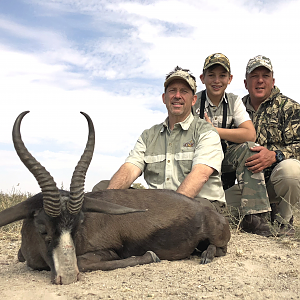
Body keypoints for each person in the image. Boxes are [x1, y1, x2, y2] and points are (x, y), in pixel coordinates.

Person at [93, 66, 226, 210]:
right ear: (164, 98)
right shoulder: (148, 135)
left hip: (199, 204)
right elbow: (130, 169)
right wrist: (107, 202)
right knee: (103, 190)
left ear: (194, 99)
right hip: (158, 206)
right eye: (172, 90)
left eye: (184, 91)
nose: (177, 95)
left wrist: (167, 213)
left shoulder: (206, 131)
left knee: (197, 213)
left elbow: (200, 175)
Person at [192, 53, 273, 237]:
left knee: (249, 148)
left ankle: (255, 218)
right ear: (203, 78)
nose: (217, 80)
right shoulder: (194, 102)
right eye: (211, 75)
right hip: (198, 162)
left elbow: (249, 133)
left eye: (222, 75)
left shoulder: (234, 101)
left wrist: (214, 131)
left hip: (224, 160)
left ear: (230, 79)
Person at [226, 55, 300, 236]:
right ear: (245, 82)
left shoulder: (289, 107)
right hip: (249, 187)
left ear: (273, 81)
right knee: (218, 207)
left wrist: (276, 156)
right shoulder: (236, 109)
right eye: (254, 76)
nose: (260, 80)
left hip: (277, 183)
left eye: (265, 76)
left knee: (291, 171)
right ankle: (262, 215)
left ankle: (283, 221)